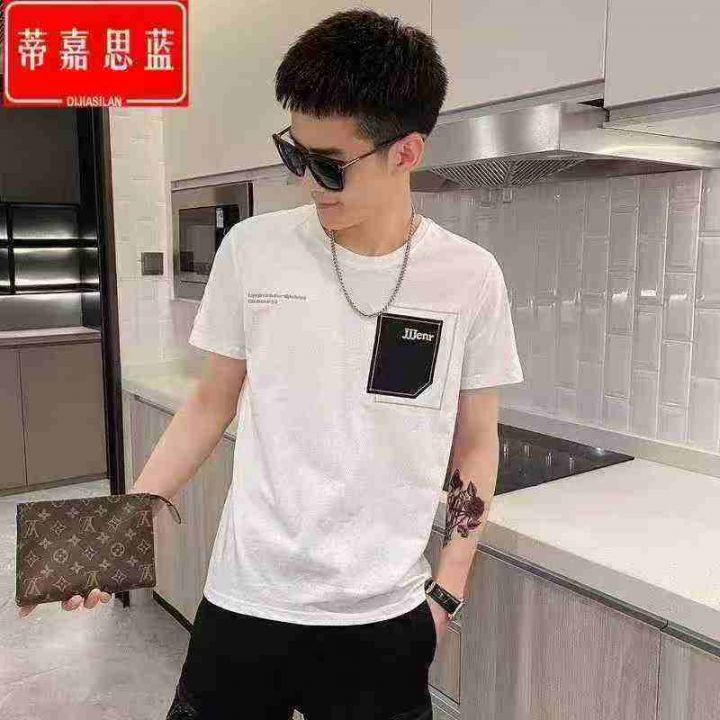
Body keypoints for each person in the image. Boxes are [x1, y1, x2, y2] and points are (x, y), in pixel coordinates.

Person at [22, 8, 524, 719]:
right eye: (296, 154)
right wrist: (124, 525)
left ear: (407, 153)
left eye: (329, 165)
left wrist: (447, 591)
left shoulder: (469, 277)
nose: (307, 183)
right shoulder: (252, 252)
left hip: (382, 619)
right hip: (245, 601)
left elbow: (475, 442)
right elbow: (209, 405)